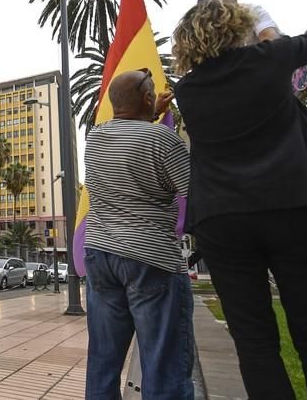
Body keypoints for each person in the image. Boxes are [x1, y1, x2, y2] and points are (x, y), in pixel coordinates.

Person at [172, 0, 307, 399]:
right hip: (292, 205)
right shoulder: (270, 59)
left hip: (223, 220)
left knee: (254, 341)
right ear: (238, 28)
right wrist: (267, 30)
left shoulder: (188, 89)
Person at [83, 69, 193, 399]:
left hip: (101, 255)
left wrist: (151, 110)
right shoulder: (164, 141)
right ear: (147, 98)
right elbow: (194, 192)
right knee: (163, 363)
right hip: (151, 258)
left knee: (103, 361)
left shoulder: (95, 138)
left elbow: (131, 135)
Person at [197, 0, 280, 42]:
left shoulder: (253, 11)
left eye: (223, 7)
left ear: (235, 1)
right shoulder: (200, 28)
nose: (217, 14)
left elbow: (271, 41)